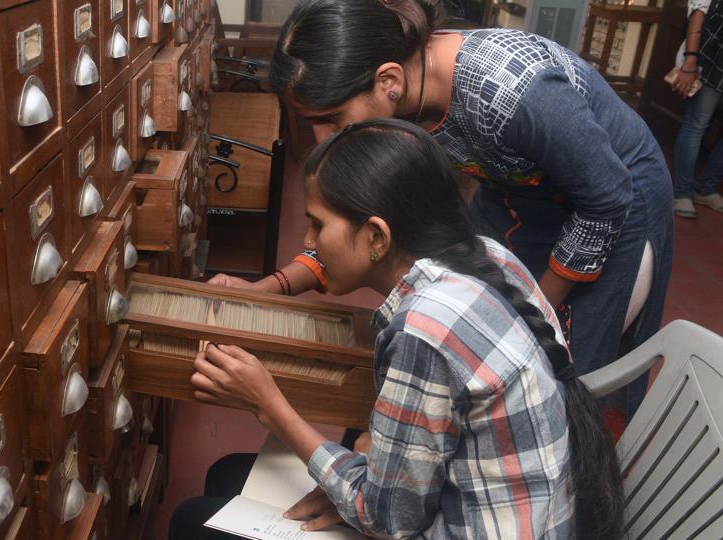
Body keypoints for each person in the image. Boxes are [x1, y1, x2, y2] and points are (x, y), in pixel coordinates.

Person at [210, 0, 674, 416]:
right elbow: (353, 223)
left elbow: (606, 198)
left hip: (614, 201)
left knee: (569, 371)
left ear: (388, 80)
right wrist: (272, 288)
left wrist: (529, 314)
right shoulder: (393, 107)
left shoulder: (513, 91)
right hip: (516, 190)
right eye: (311, 123)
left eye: (330, 119)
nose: (322, 139)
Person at [171, 120, 624, 539]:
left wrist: (267, 405)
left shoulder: (424, 327)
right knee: (229, 476)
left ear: (377, 238)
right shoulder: (486, 255)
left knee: (193, 519)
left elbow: (389, 518)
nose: (308, 242)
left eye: (317, 224)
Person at [671, 0, 723, 218]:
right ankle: (681, 193)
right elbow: (698, 12)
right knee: (696, 125)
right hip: (710, 60)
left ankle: (707, 189)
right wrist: (690, 60)